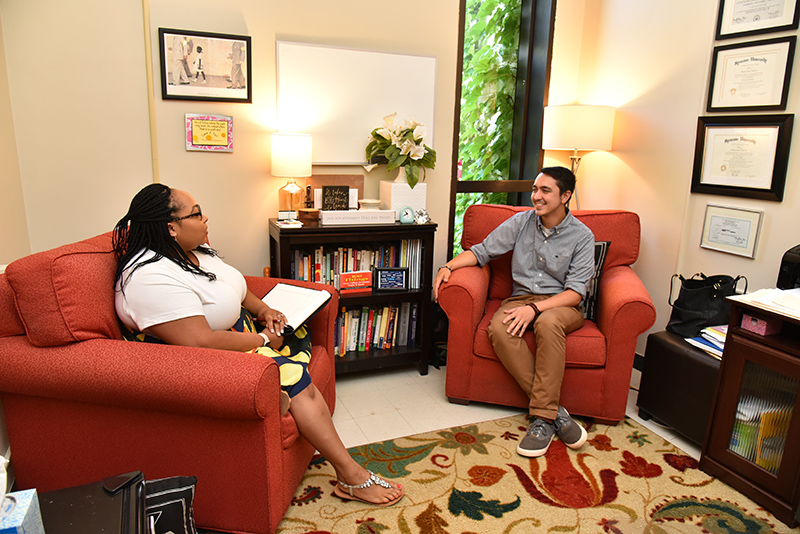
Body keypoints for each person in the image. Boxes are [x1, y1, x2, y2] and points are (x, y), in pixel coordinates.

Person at [112, 183, 404, 506]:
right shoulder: (149, 277)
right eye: (196, 214)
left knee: (297, 345)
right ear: (170, 227)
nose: (206, 218)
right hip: (210, 357)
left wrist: (264, 310)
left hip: (239, 333)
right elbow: (199, 341)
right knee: (297, 381)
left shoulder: (192, 252)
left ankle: (290, 403)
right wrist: (264, 338)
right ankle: (351, 477)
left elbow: (232, 286)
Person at [433, 166, 594, 458]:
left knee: (547, 323)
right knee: (498, 329)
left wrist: (535, 309)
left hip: (561, 304)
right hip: (521, 299)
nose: (536, 196)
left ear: (565, 196)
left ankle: (541, 422)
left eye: (545, 190)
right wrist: (448, 267)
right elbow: (481, 251)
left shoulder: (582, 236)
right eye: (535, 189)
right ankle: (553, 414)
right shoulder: (521, 222)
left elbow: (575, 293)